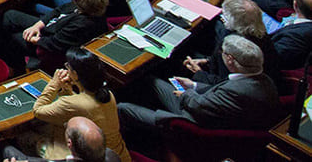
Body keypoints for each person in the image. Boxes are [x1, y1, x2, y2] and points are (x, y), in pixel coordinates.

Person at [116, 34, 280, 140]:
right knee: (150, 81)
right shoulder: (265, 80)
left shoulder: (236, 90)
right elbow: (219, 96)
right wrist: (193, 85)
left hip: (191, 123)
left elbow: (198, 105)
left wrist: (186, 94)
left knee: (123, 107)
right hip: (208, 110)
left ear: (229, 59)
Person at [27, 50, 130, 161]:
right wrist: (65, 89)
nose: (66, 69)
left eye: (68, 67)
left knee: (27, 136)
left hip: (93, 158)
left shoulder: (73, 103)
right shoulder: (107, 94)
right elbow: (75, 106)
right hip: (118, 155)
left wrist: (54, 83)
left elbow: (38, 111)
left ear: (75, 74)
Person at [2, 0, 110, 68]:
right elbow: (58, 10)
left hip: (50, 45)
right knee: (10, 15)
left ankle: (14, 66)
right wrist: (37, 26)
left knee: (12, 39)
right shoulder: (87, 3)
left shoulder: (83, 23)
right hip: (51, 27)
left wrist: (35, 39)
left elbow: (55, 43)